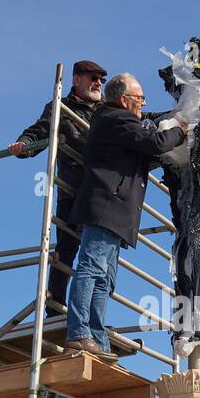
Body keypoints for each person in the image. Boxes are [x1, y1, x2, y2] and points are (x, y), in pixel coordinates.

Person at [64, 73, 185, 357]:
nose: (143, 104)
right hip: (106, 205)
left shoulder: (118, 121)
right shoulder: (115, 118)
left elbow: (147, 142)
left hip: (115, 210)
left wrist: (172, 117)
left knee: (105, 278)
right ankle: (79, 332)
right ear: (123, 99)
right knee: (93, 269)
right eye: (140, 98)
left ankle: (95, 335)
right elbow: (153, 142)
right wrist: (181, 129)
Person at [9, 60, 109, 316]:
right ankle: (55, 312)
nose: (98, 83)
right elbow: (40, 131)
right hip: (73, 190)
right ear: (76, 80)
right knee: (65, 250)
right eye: (93, 77)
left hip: (101, 193)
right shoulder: (61, 108)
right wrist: (23, 145)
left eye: (101, 79)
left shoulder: (107, 110)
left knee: (99, 256)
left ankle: (90, 319)